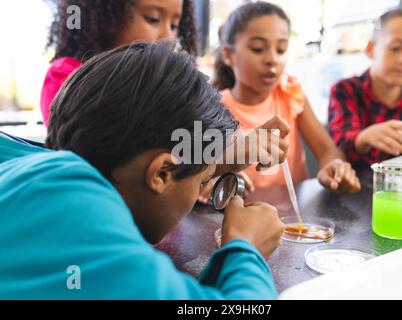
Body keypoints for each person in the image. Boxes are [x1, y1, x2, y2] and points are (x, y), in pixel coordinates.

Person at [0, 42, 288, 299]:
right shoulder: (89, 230)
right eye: (202, 181)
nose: (202, 187)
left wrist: (206, 158)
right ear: (162, 173)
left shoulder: (26, 161)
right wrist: (244, 248)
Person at [212, 1, 361, 194]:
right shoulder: (214, 108)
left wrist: (334, 167)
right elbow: (197, 172)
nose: (272, 59)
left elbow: (326, 150)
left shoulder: (290, 93)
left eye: (281, 49)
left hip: (294, 215)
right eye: (258, 48)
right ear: (228, 55)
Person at [40, 0, 199, 127]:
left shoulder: (165, 81)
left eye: (174, 26)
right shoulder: (65, 76)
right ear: (108, 18)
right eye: (153, 19)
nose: (168, 37)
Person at [328, 7, 402, 170]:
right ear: (371, 49)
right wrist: (365, 137)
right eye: (396, 48)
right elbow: (341, 143)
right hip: (353, 188)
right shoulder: (345, 90)